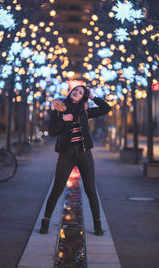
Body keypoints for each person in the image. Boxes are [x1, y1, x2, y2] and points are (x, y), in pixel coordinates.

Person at [40, 85, 111, 235]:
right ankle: (45, 223)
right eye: (75, 90)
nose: (76, 93)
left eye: (80, 93)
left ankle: (97, 225)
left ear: (83, 97)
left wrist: (93, 97)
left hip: (84, 154)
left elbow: (106, 108)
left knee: (91, 191)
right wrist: (63, 120)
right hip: (66, 155)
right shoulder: (59, 109)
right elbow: (51, 131)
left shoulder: (84, 112)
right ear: (70, 92)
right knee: (57, 190)